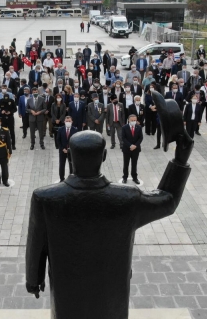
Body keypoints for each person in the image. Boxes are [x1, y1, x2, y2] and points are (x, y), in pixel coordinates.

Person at [25, 126, 193, 317]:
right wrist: (180, 159)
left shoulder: (45, 198)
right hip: (112, 293)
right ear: (104, 156)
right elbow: (168, 199)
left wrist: (33, 279)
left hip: (67, 291)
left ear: (70, 156)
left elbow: (36, 244)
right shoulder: (127, 197)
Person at [55, 116, 78, 182]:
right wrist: (62, 148)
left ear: (72, 122)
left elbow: (75, 141)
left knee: (71, 165)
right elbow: (58, 140)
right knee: (62, 165)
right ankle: (62, 179)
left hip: (71, 151)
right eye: (67, 121)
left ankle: (71, 179)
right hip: (62, 150)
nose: (68, 122)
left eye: (69, 121)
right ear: (64, 122)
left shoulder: (75, 130)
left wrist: (69, 149)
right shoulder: (60, 129)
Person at [121, 114, 143, 184]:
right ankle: (125, 177)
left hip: (136, 149)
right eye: (132, 120)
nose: (133, 121)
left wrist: (135, 145)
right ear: (129, 120)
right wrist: (130, 145)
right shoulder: (124, 127)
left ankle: (135, 177)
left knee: (134, 164)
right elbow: (123, 138)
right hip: (127, 149)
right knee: (126, 163)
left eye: (135, 120)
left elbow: (140, 138)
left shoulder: (139, 127)